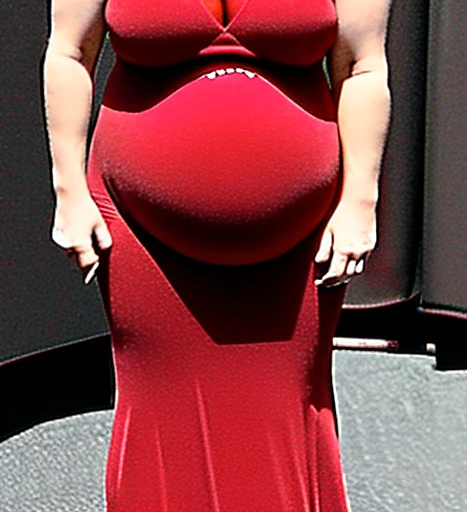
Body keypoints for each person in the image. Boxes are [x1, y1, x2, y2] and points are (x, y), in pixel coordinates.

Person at [43, 0, 391, 509]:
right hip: (141, 231)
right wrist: (68, 191)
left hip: (300, 240)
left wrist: (361, 202)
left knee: (283, 410)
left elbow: (363, 67)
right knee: (160, 410)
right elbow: (69, 54)